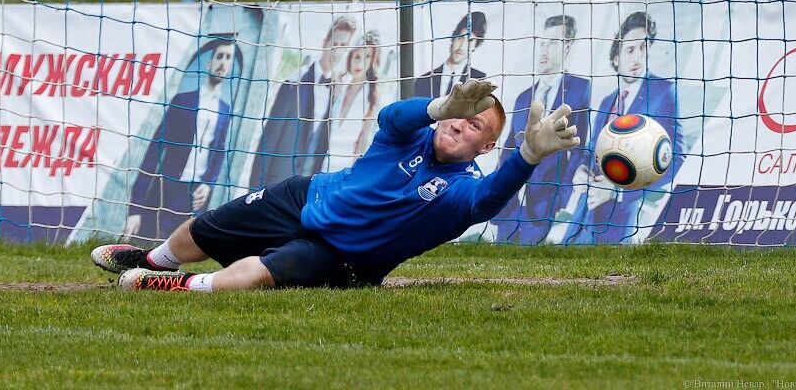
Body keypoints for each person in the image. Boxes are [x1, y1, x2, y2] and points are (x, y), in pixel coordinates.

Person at [90, 80, 580, 291]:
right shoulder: (407, 135)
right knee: (203, 228)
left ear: (487, 147)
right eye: (459, 115)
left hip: (343, 257)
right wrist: (438, 107)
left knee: (261, 275)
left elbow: (489, 201)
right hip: (307, 197)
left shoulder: (461, 190)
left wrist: (528, 156)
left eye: (474, 125)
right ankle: (153, 262)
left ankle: (174, 286)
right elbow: (391, 116)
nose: (458, 124)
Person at [563, 11, 686, 244]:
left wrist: (618, 191)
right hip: (585, 213)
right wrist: (581, 171)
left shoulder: (663, 92)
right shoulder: (607, 101)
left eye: (643, 47)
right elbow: (593, 149)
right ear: (616, 58)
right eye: (630, 50)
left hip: (623, 218)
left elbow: (677, 157)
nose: (638, 56)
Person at [493, 15, 590, 244]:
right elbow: (508, 149)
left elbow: (581, 147)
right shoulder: (523, 97)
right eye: (542, 43)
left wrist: (564, 196)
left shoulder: (581, 89)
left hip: (550, 206)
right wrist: (499, 193)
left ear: (567, 46)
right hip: (511, 207)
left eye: (553, 43)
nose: (545, 50)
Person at [125, 40, 235, 242]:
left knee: (188, 248)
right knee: (153, 245)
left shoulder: (225, 109)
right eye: (219, 56)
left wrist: (208, 183)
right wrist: (135, 208)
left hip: (197, 195)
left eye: (228, 58)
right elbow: (154, 150)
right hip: (169, 188)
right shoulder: (182, 101)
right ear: (209, 63)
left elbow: (219, 152)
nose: (223, 62)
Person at [249, 15, 356, 189]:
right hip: (279, 185)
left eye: (343, 46)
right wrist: (255, 192)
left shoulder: (338, 91)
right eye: (334, 44)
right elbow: (267, 143)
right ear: (325, 42)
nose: (336, 52)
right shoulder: (293, 84)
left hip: (309, 189)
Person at [325, 31, 383, 171]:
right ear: (350, 57)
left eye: (367, 57)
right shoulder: (338, 84)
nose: (359, 63)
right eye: (357, 56)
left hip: (343, 166)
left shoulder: (371, 97)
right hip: (319, 157)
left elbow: (362, 142)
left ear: (373, 60)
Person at [414, 12, 487, 98]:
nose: (461, 46)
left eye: (470, 41)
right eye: (460, 38)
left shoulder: (479, 80)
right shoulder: (424, 81)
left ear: (475, 46)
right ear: (453, 38)